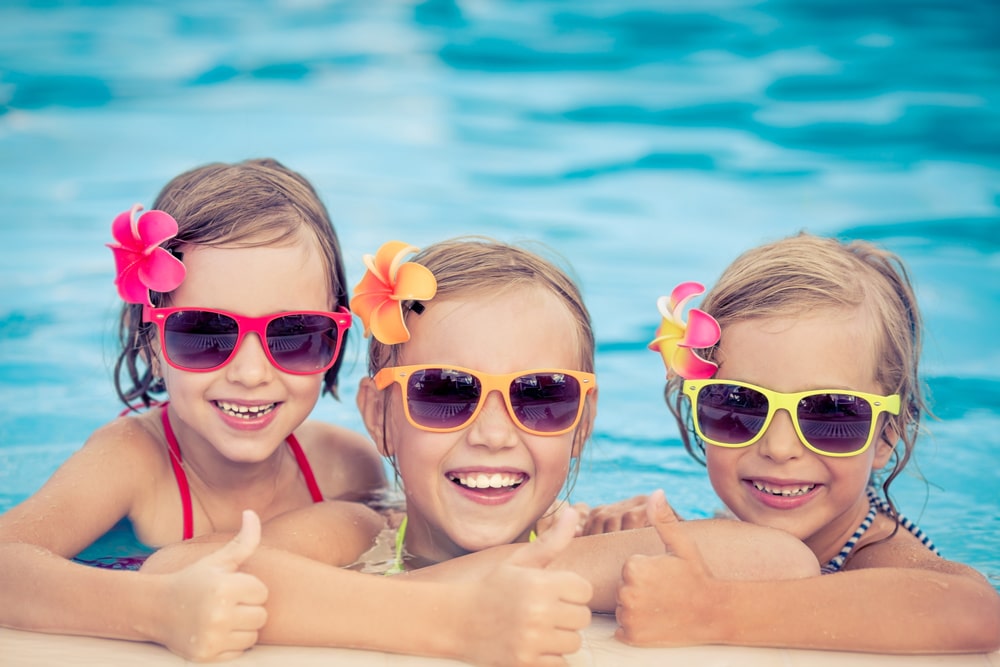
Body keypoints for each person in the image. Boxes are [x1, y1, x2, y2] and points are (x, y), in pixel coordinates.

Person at [141, 236, 816, 665]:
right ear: (381, 417)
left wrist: (548, 559)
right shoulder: (363, 529)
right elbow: (178, 569)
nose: (494, 433)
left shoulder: (582, 541)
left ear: (582, 421)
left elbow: (780, 558)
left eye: (541, 396)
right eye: (444, 393)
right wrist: (459, 605)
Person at [0, 158, 387, 661]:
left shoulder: (344, 468)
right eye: (204, 333)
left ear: (334, 340)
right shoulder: (131, 460)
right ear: (152, 345)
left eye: (293, 335)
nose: (251, 374)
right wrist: (157, 609)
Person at [613, 233, 1000, 653]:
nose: (780, 448)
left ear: (887, 435)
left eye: (830, 412)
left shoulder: (876, 554)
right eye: (739, 405)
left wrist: (711, 609)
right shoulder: (740, 518)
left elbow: (974, 610)